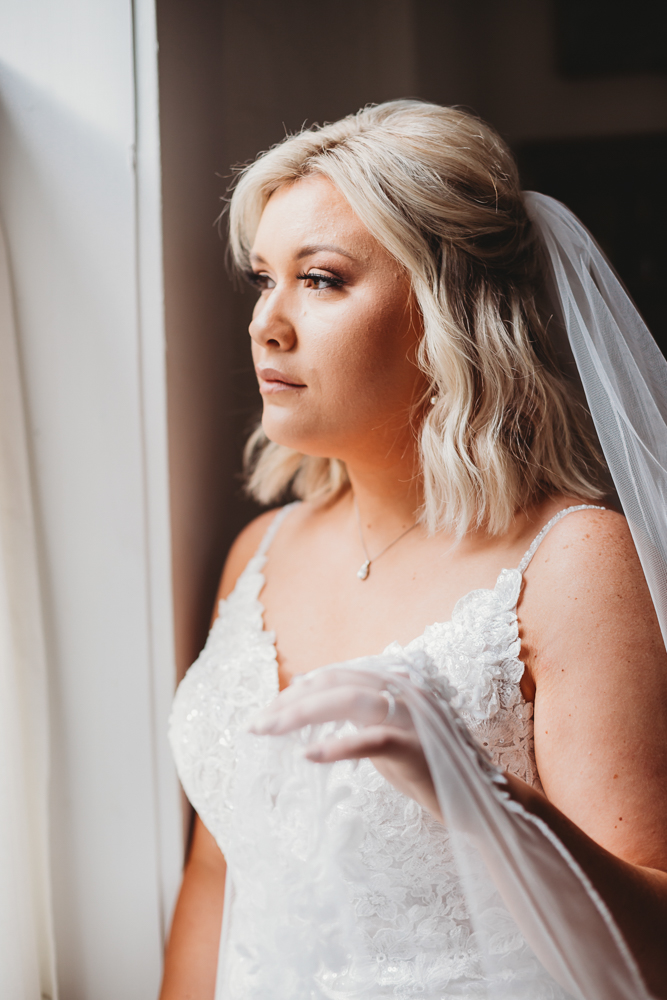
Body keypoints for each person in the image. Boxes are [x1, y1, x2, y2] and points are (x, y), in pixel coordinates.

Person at [162, 101, 667, 1000]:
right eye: (260, 278)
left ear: (448, 312)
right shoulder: (257, 551)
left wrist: (481, 797)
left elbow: (655, 954)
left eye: (318, 280)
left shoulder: (574, 560)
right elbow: (216, 877)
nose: (264, 324)